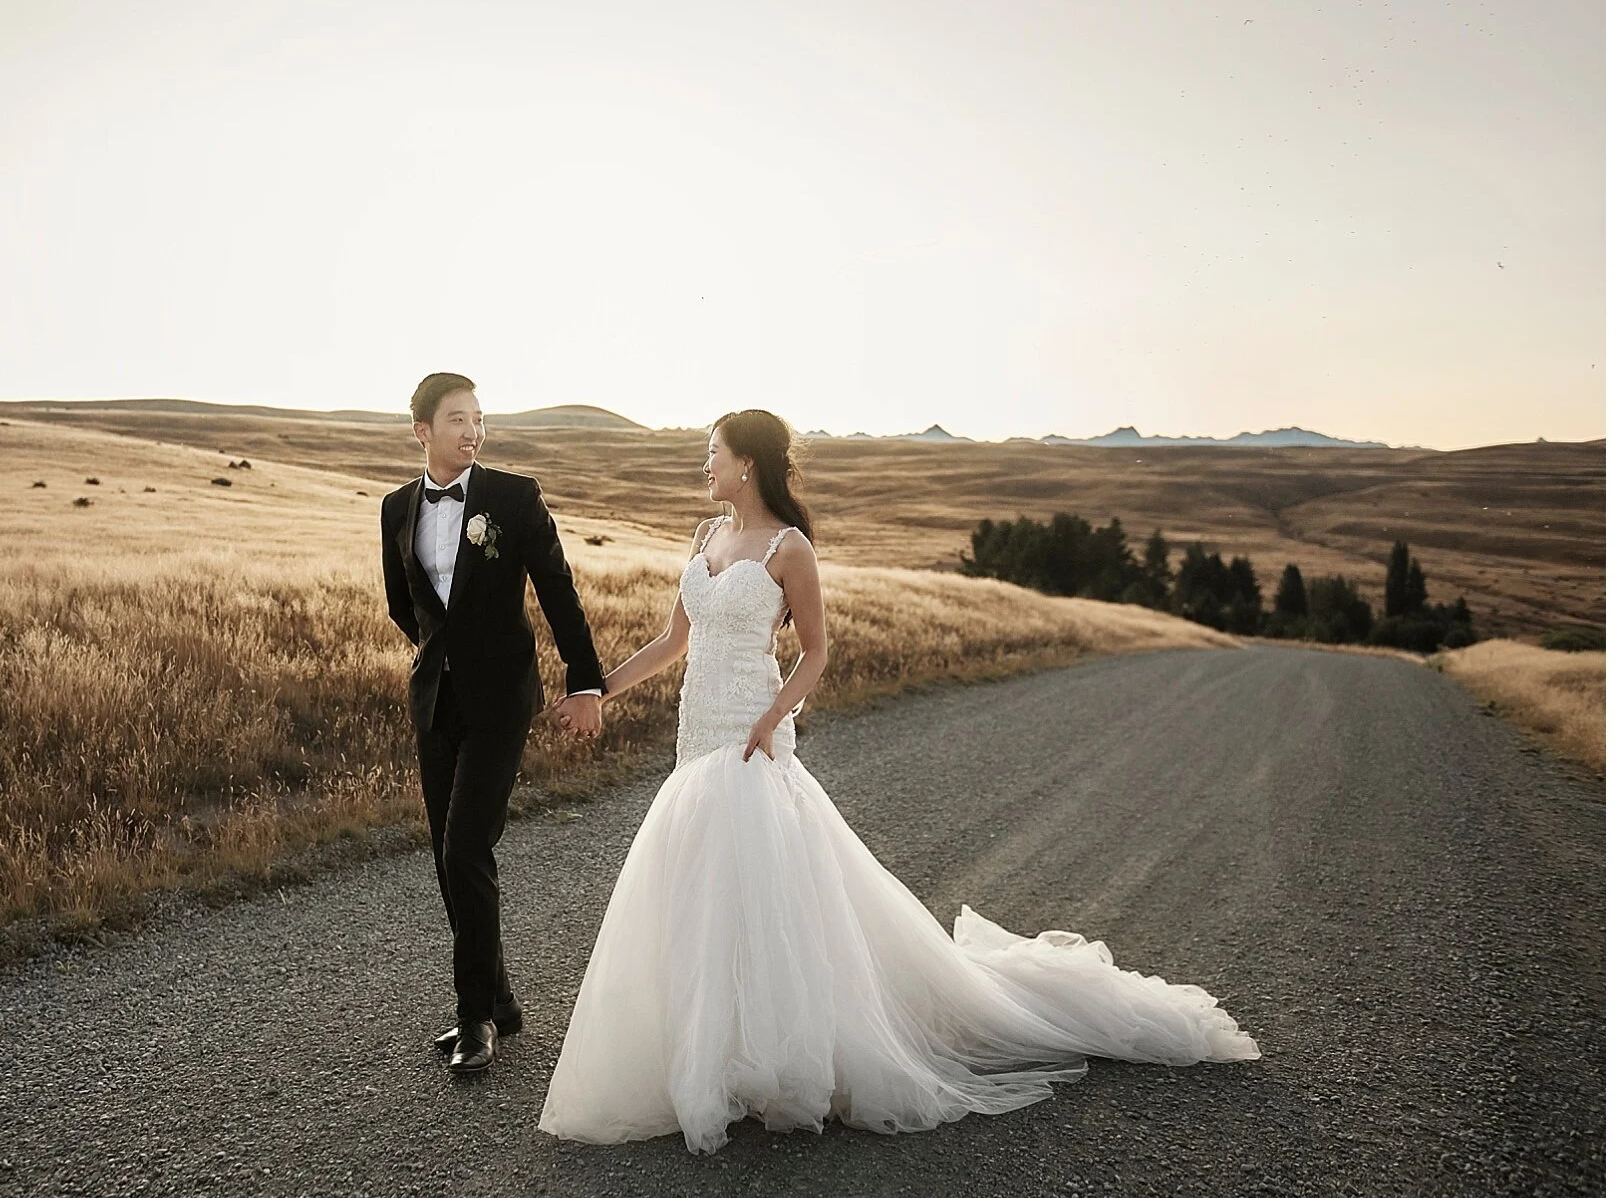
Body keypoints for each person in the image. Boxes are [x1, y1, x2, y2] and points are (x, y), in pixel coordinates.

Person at [537, 408, 1261, 1155]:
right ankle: (710, 1053)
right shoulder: (704, 538)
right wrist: (597, 690)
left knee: (764, 892)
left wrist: (772, 714)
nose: (704, 467)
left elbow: (816, 652)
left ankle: (783, 1057)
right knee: (703, 893)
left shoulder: (790, 549)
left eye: (712, 454)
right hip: (698, 742)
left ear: (746, 464)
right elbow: (671, 642)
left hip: (754, 738)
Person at [380, 372, 606, 1076]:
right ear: (423, 430)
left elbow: (558, 591)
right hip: (437, 703)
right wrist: (436, 659)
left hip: (502, 700)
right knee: (450, 861)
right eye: (458, 419)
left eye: (479, 419)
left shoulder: (513, 497)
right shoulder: (395, 508)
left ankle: (473, 1017)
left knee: (465, 848)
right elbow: (403, 604)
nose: (473, 431)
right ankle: (499, 1000)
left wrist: (587, 681)